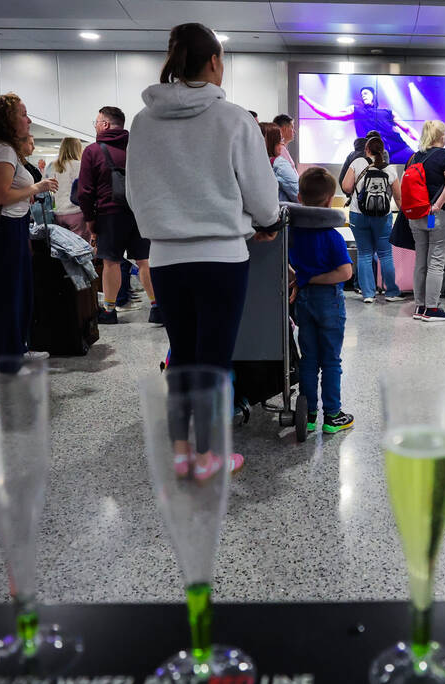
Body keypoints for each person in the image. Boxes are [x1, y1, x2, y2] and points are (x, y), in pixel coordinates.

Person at [126, 23, 281, 476]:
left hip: (167, 258)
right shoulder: (233, 118)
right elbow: (263, 196)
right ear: (213, 61)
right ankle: (212, 455)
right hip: (222, 258)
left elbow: (136, 194)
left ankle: (179, 453)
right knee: (214, 358)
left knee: (182, 354)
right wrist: (265, 223)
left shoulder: (143, 120)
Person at [0, 93, 57, 360]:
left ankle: (16, 349)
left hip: (2, 227)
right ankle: (10, 356)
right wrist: (37, 187)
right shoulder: (3, 151)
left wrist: (24, 192)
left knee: (11, 291)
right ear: (7, 119)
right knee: (8, 294)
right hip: (1, 229)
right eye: (22, 114)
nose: (28, 119)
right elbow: (1, 195)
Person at [289, 168, 355, 434]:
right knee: (331, 361)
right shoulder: (332, 236)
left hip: (303, 303)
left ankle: (310, 413)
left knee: (308, 359)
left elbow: (289, 265)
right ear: (330, 201)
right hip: (329, 302)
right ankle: (333, 415)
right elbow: (345, 272)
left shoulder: (293, 234)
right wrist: (313, 279)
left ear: (299, 197)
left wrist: (301, 278)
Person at [79, 105, 152, 324]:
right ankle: (158, 307)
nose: (95, 126)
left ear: (105, 124)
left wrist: (90, 220)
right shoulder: (138, 148)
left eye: (96, 122)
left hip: (109, 214)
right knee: (144, 261)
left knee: (111, 262)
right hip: (139, 213)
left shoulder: (92, 151)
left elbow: (85, 192)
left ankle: (109, 311)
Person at [405, 120, 445, 322]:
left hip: (417, 215)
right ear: (442, 136)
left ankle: (419, 306)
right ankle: (432, 309)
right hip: (438, 215)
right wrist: (437, 204)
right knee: (436, 261)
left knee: (421, 260)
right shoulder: (444, 155)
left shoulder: (415, 157)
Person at [341, 134, 403, 303]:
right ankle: (391, 292)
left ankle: (368, 294)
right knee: (385, 254)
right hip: (383, 216)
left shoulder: (357, 163)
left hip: (358, 215)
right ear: (382, 151)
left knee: (364, 254)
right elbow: (398, 196)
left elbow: (346, 186)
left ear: (366, 149)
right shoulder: (389, 169)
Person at [298, 86, 419, 164]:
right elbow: (330, 115)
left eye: (366, 93)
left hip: (398, 149)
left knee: (418, 162)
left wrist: (421, 143)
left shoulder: (388, 112)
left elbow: (408, 129)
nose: (363, 95)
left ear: (374, 95)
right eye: (362, 94)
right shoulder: (356, 110)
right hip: (373, 155)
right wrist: (305, 98)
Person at [45, 137, 88, 240]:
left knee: (63, 247)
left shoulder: (52, 166)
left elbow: (45, 187)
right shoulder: (80, 165)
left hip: (58, 212)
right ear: (77, 148)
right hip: (76, 212)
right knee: (80, 249)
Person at [262, 123, 299, 203]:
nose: (282, 144)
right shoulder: (280, 164)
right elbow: (298, 194)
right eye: (280, 140)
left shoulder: (252, 164)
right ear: (272, 142)